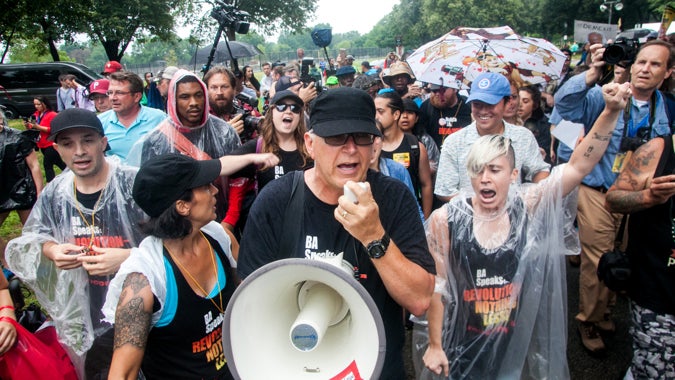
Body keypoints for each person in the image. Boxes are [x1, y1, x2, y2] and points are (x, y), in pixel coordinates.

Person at [423, 82, 631, 379]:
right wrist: (434, 344)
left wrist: (610, 112)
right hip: (463, 337)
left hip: (515, 334)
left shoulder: (526, 203)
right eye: (477, 170)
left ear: (513, 175)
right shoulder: (448, 219)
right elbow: (437, 287)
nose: (484, 179)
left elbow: (579, 167)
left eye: (494, 170)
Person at [237, 87, 435, 380]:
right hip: (295, 366)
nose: (351, 148)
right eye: (336, 138)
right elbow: (252, 303)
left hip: (375, 365)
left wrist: (373, 236)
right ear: (310, 144)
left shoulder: (395, 198)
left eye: (362, 137)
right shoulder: (277, 200)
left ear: (374, 146)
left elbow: (419, 299)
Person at [5, 108, 148, 378]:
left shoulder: (134, 183)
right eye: (68, 144)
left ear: (103, 143)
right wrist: (52, 250)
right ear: (57, 149)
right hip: (89, 313)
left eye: (88, 140)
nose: (79, 151)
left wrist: (130, 257)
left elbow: (175, 242)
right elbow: (35, 237)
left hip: (144, 307)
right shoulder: (55, 194)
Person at [554, 39, 674, 353]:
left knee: (625, 257)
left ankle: (607, 312)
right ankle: (589, 321)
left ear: (667, 72)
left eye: (655, 64)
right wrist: (594, 71)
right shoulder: (605, 95)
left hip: (639, 200)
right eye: (641, 62)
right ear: (631, 65)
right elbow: (564, 105)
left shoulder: (669, 107)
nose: (646, 69)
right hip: (597, 192)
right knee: (596, 261)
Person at [102, 154, 240, 380]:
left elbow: (247, 293)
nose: (215, 191)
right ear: (183, 206)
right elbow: (122, 375)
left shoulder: (219, 237)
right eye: (205, 187)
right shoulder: (146, 282)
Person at [127, 70, 244, 223]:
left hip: (220, 222)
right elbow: (152, 191)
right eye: (184, 97)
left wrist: (229, 222)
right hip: (175, 226)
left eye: (198, 95)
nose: (193, 102)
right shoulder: (156, 140)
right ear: (173, 100)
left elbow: (239, 180)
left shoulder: (224, 132)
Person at [604, 132, 675, 379]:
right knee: (655, 370)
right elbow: (613, 199)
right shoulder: (659, 149)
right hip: (658, 292)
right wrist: (649, 197)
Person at [435, 72, 550, 203]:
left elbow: (540, 171)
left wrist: (531, 197)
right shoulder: (455, 142)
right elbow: (444, 190)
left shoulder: (523, 137)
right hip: (470, 218)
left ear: (507, 103)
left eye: (490, 105)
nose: (483, 111)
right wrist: (482, 205)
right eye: (477, 104)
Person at [226, 90, 313, 236]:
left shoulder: (311, 148)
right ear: (271, 112)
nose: (288, 111)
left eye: (294, 108)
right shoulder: (259, 147)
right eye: (281, 107)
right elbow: (222, 166)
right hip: (269, 230)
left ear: (300, 116)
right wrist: (251, 158)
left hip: (304, 228)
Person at [376, 90, 434, 219]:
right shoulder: (372, 147)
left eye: (380, 111)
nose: (376, 116)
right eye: (374, 111)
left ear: (396, 114)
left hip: (409, 217)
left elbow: (426, 185)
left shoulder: (415, 146)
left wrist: (425, 221)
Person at [0, 109, 43, 267]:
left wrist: (40, 191)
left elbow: (34, 165)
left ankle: (38, 261)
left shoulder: (18, 137)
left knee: (33, 230)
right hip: (1, 192)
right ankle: (6, 262)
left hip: (22, 189)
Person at [98, 71, 166, 161]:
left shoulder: (158, 118)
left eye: (119, 93)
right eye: (110, 93)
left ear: (137, 96)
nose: (113, 98)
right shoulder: (100, 122)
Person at [418, 80, 472, 148]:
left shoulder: (468, 105)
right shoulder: (426, 107)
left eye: (442, 91)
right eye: (434, 91)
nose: (437, 94)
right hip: (436, 155)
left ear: (455, 89)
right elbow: (420, 135)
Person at [24, 95, 66, 182]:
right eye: (35, 104)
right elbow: (33, 129)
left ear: (45, 104)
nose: (37, 106)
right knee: (59, 163)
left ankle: (50, 183)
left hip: (50, 143)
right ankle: (72, 173)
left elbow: (52, 129)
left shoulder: (52, 115)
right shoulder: (36, 115)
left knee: (47, 164)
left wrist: (38, 127)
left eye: (39, 104)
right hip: (42, 144)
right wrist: (28, 126)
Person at [518, 85, 552, 163]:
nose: (520, 105)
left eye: (525, 101)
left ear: (535, 105)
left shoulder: (544, 125)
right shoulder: (507, 121)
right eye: (518, 100)